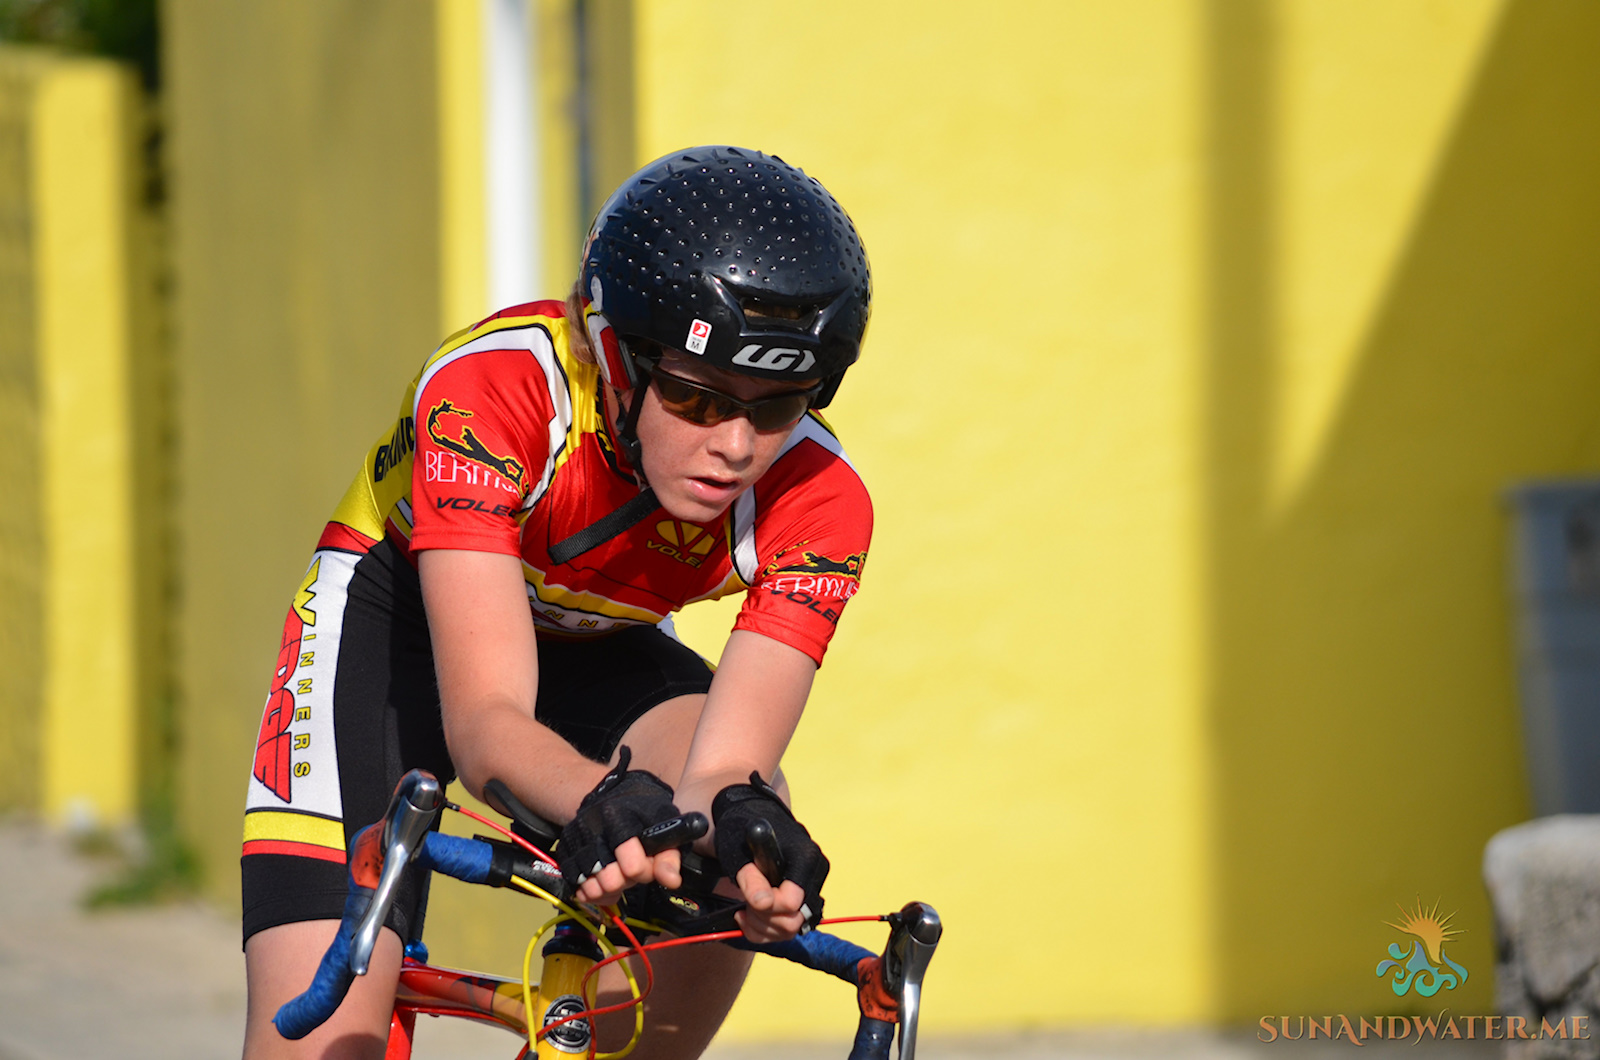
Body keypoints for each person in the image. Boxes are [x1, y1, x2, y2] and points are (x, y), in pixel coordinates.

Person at [240, 145, 874, 1060]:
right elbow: (489, 722)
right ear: (611, 354)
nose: (736, 445)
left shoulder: (822, 496)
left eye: (776, 408)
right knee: (319, 1042)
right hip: (397, 620)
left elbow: (724, 764)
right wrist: (601, 801)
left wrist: (743, 836)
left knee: (739, 822)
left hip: (596, 639)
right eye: (698, 400)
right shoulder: (495, 389)